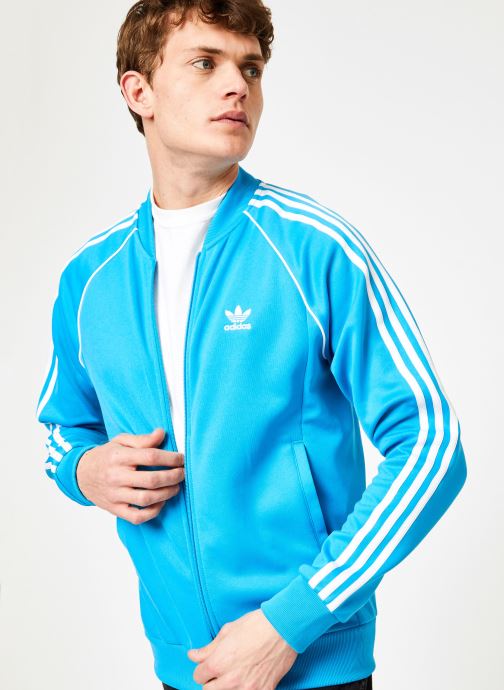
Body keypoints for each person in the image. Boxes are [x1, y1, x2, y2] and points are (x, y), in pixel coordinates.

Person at [35, 1, 468, 689]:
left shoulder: (312, 247)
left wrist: (291, 622)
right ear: (138, 92)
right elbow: (63, 429)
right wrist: (85, 470)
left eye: (251, 68)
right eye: (205, 63)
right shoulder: (91, 278)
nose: (237, 85)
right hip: (185, 667)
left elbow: (433, 445)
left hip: (311, 661)